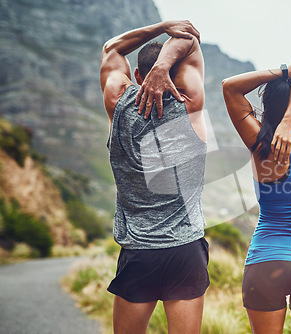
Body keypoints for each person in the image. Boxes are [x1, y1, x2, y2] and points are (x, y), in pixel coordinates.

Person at [100, 20, 208, 334]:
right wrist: (165, 66)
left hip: (138, 251)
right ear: (179, 74)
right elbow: (189, 40)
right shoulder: (190, 101)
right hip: (185, 249)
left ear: (136, 76)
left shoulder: (117, 102)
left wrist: (161, 26)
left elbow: (112, 48)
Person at [222, 59, 291, 334]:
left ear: (267, 102)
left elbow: (230, 88)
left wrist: (285, 73)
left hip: (265, 261)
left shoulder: (259, 142)